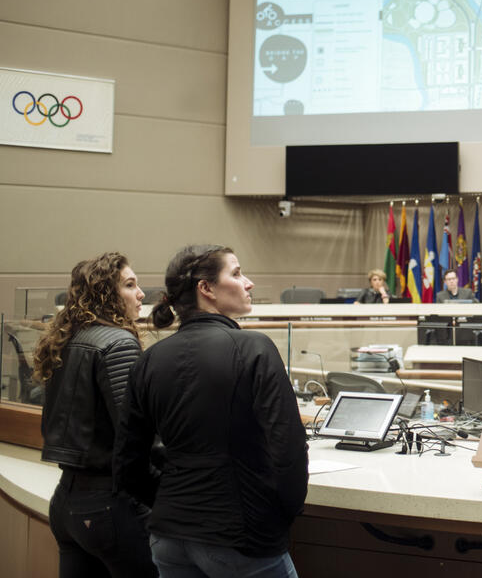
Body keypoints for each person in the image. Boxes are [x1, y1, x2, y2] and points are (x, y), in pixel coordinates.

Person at [114, 245, 308, 578]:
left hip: (169, 536)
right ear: (206, 289)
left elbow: (127, 464)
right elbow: (288, 450)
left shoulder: (149, 359)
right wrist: (281, 515)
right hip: (240, 537)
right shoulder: (255, 348)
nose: (248, 283)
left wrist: (173, 500)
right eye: (235, 273)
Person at [33, 252, 158, 578]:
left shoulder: (66, 338)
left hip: (66, 503)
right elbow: (135, 433)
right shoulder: (118, 342)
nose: (141, 294)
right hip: (109, 506)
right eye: (130, 285)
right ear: (106, 294)